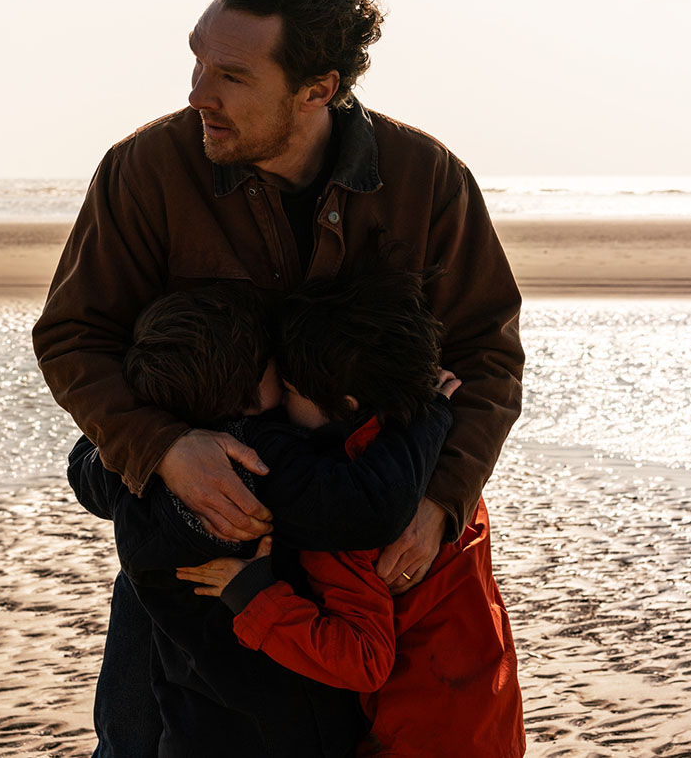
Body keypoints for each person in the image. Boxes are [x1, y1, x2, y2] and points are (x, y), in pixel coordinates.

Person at [32, 0, 524, 753]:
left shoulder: (427, 179)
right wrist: (164, 448)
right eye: (198, 60)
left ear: (317, 88)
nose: (199, 93)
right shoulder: (145, 169)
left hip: (373, 565)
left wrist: (440, 502)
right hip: (195, 553)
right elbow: (73, 336)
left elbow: (487, 355)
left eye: (232, 75)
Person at [68, 279, 455, 757]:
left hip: (191, 724)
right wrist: (428, 416)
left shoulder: (130, 473)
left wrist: (153, 440)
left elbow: (84, 464)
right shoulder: (263, 458)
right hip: (286, 722)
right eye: (278, 368)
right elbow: (369, 505)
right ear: (250, 397)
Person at [174, 274, 526, 758]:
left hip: (415, 739)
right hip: (493, 718)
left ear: (345, 406)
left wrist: (255, 598)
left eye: (290, 390)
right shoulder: (446, 475)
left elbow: (364, 660)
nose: (280, 407)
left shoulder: (342, 511)